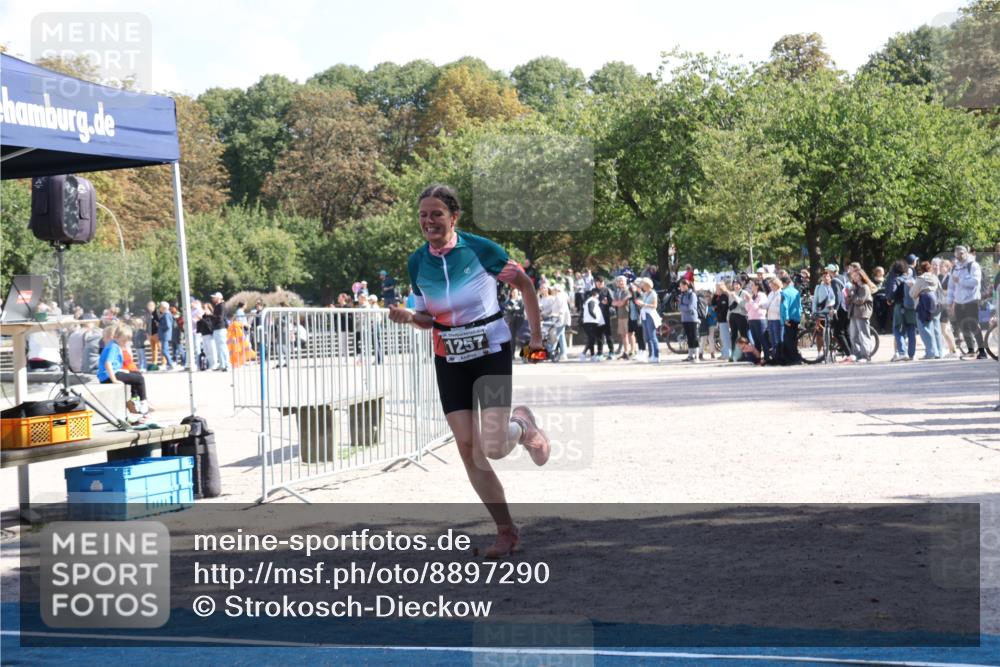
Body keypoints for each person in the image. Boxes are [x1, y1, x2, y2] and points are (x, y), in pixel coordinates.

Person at [387, 184, 551, 559]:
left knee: (493, 445)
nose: (429, 221)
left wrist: (536, 340)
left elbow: (525, 285)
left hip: (490, 350)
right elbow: (428, 319)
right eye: (423, 215)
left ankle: (523, 425)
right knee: (467, 448)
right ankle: (506, 531)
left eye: (436, 214)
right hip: (448, 356)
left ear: (453, 217)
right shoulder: (417, 262)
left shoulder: (481, 249)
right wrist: (409, 316)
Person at [97, 324, 150, 417]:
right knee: (140, 379)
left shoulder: (113, 344)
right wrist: (114, 380)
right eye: (123, 341)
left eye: (127, 341)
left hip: (111, 373)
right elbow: (108, 363)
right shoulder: (114, 347)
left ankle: (134, 399)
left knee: (136, 374)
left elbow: (113, 364)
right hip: (108, 376)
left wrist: (121, 370)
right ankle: (143, 402)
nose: (124, 343)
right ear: (116, 337)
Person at [947, 245, 987, 359]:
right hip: (959, 301)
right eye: (957, 253)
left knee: (974, 325)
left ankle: (982, 351)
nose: (959, 255)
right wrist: (950, 301)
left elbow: (975, 281)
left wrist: (960, 281)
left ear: (966, 253)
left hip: (972, 300)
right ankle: (971, 351)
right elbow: (951, 286)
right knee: (963, 326)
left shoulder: (973, 265)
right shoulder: (954, 268)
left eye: (962, 253)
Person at [911, 260, 943, 360]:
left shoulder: (920, 279)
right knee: (937, 329)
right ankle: (939, 352)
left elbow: (912, 294)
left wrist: (912, 287)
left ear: (921, 269)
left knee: (925, 328)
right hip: (936, 305)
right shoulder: (935, 278)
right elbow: (940, 291)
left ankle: (931, 352)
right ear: (930, 268)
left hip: (924, 306)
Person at [888, 259, 917, 361]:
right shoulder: (912, 280)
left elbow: (892, 294)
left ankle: (902, 352)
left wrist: (889, 300)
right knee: (911, 329)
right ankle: (912, 354)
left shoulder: (897, 279)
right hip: (911, 308)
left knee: (898, 329)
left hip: (900, 307)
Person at [848, 268, 875, 363]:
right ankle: (857, 354)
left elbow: (860, 300)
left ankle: (866, 355)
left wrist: (852, 295)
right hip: (853, 313)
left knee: (863, 335)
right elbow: (850, 300)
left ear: (861, 276)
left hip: (862, 313)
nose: (854, 277)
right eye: (853, 276)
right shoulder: (855, 287)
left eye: (856, 275)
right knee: (853, 335)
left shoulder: (865, 287)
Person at [937, 259, 960, 358]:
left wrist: (941, 291)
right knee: (946, 329)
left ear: (947, 267)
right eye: (940, 266)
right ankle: (952, 350)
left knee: (944, 330)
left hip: (947, 305)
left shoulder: (950, 277)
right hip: (943, 305)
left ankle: (954, 350)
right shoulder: (942, 277)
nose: (940, 267)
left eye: (943, 266)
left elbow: (953, 291)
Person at [636, 277, 660, 363]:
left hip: (650, 315)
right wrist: (640, 303)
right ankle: (651, 355)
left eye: (643, 285)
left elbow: (655, 306)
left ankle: (656, 355)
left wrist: (644, 304)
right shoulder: (645, 293)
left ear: (647, 285)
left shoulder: (653, 293)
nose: (642, 286)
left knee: (652, 336)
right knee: (647, 337)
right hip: (644, 315)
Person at [779, 275, 802, 364]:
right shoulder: (796, 291)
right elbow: (800, 306)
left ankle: (793, 359)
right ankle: (794, 358)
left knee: (788, 340)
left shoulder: (784, 293)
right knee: (793, 339)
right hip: (796, 318)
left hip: (788, 319)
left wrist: (785, 319)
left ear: (784, 283)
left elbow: (784, 307)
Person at [678, 278, 699, 362]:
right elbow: (679, 306)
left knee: (694, 337)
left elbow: (690, 307)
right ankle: (690, 355)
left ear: (686, 285)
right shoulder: (682, 295)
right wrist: (683, 307)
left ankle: (696, 356)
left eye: (682, 286)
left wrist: (682, 307)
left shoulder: (692, 295)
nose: (680, 287)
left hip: (692, 318)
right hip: (684, 319)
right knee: (689, 337)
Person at [580, 288, 605, 362]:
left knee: (591, 339)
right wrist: (596, 317)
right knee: (591, 339)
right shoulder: (592, 300)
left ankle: (588, 354)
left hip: (591, 322)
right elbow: (591, 310)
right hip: (590, 322)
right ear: (596, 294)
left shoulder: (591, 300)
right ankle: (589, 354)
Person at [612, 276, 633, 359]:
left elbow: (621, 303)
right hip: (620, 315)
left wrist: (618, 303)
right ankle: (625, 351)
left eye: (622, 281)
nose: (620, 283)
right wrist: (618, 303)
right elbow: (613, 303)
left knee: (630, 334)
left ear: (625, 282)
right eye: (619, 281)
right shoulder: (618, 291)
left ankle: (632, 350)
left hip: (627, 315)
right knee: (623, 335)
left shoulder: (628, 291)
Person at [763, 277, 783, 363]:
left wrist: (770, 308)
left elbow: (780, 308)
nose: (770, 286)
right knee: (772, 338)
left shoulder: (781, 293)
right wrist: (762, 306)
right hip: (770, 318)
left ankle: (780, 356)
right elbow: (767, 303)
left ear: (776, 285)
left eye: (771, 285)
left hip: (777, 319)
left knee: (778, 338)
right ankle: (775, 356)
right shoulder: (771, 293)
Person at [594, 276, 614, 360]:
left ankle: (611, 352)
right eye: (598, 282)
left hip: (605, 315)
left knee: (608, 334)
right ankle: (599, 353)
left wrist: (607, 302)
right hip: (596, 316)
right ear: (595, 282)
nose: (600, 284)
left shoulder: (607, 290)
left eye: (601, 282)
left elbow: (612, 302)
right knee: (599, 335)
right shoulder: (593, 291)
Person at [711, 283, 732, 362]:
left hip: (724, 319)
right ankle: (724, 352)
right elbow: (713, 303)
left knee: (725, 337)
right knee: (722, 337)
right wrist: (715, 295)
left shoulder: (725, 296)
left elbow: (723, 309)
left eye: (717, 288)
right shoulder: (719, 296)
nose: (716, 290)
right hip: (720, 320)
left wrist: (716, 309)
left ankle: (727, 354)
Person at [210, 292, 230, 371]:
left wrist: (211, 316)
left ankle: (227, 364)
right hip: (217, 328)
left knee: (222, 347)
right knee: (219, 348)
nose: (212, 299)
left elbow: (220, 317)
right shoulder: (217, 306)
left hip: (220, 328)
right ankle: (222, 364)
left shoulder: (221, 305)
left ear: (218, 298)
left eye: (214, 297)